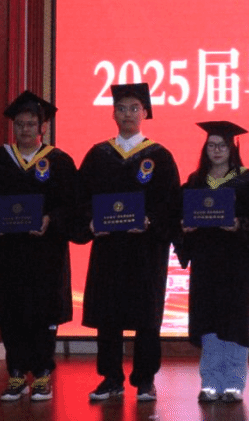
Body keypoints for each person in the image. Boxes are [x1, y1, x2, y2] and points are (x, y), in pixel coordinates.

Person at [0, 91, 79, 402]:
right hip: (8, 254)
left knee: (43, 314)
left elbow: (73, 203)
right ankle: (16, 374)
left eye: (30, 124)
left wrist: (51, 219)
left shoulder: (59, 161)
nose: (25, 130)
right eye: (19, 124)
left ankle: (42, 375)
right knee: (11, 313)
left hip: (46, 254)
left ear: (43, 127)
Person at [79, 83, 181, 402]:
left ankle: (145, 379)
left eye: (134, 108)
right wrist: (90, 222)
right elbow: (79, 198)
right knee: (108, 315)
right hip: (109, 248)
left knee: (146, 316)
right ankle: (111, 378)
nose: (128, 114)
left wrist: (151, 220)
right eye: (121, 108)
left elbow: (172, 203)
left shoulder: (160, 156)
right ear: (113, 113)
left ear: (145, 113)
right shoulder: (98, 155)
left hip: (145, 249)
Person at [176, 121, 249, 403]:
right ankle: (210, 381)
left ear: (232, 149)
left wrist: (240, 224)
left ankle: (234, 383)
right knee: (209, 320)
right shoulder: (195, 182)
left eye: (222, 146)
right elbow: (179, 219)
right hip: (206, 261)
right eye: (212, 145)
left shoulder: (248, 182)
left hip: (237, 263)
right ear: (205, 149)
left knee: (235, 320)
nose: (217, 150)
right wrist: (185, 228)